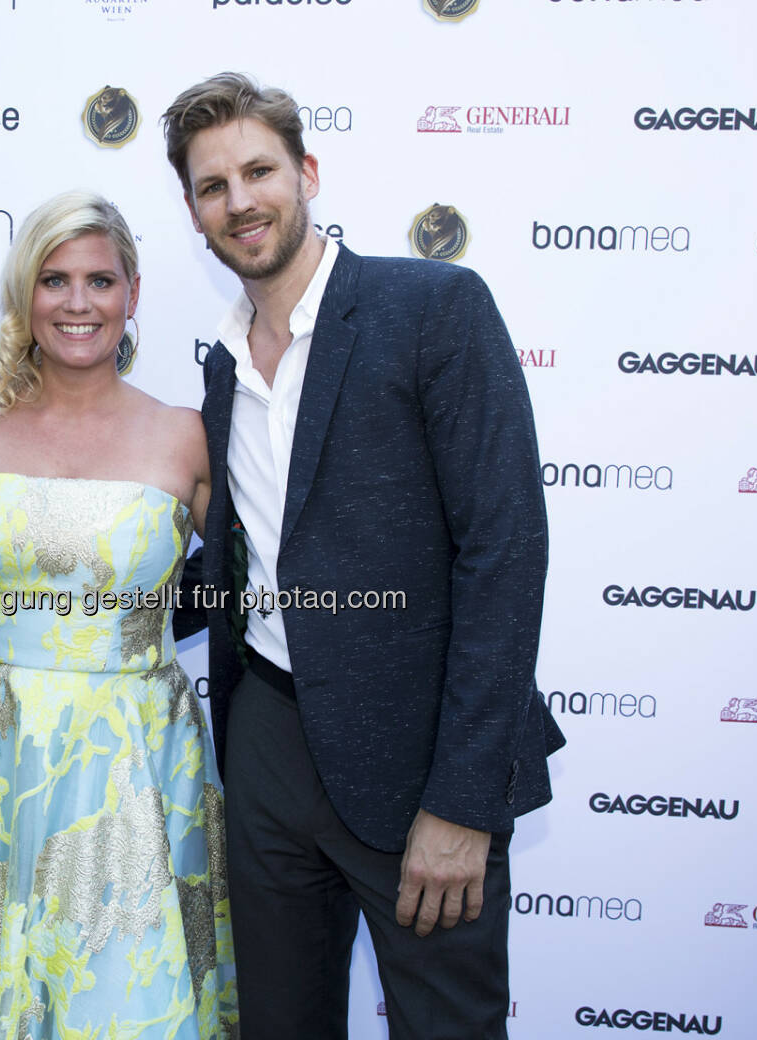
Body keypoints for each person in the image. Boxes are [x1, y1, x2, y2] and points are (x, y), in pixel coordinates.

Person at [160, 74, 564, 1040]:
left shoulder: (432, 308)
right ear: (193, 211)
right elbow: (239, 558)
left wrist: (464, 803)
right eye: (213, 186)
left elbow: (504, 554)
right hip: (264, 746)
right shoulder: (219, 365)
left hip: (420, 762)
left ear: (306, 172)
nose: (240, 201)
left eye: (259, 171)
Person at [0, 191, 238, 1040]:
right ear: (25, 295)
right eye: (54, 280)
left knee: (121, 995)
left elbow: (247, 584)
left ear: (133, 292)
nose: (77, 303)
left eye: (99, 280)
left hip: (133, 755)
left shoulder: (185, 435)